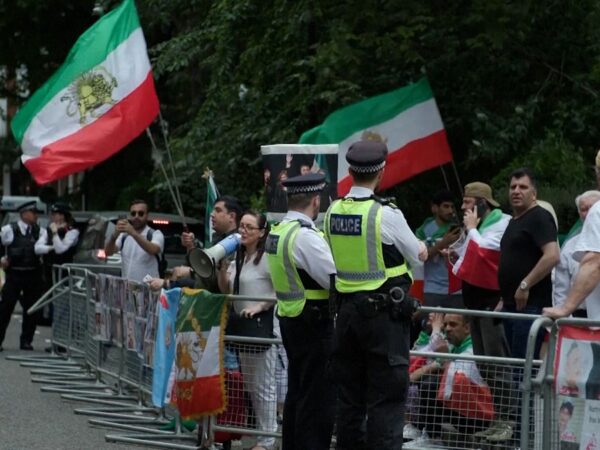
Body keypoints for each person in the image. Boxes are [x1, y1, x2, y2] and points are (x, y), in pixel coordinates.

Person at [324, 141, 427, 450]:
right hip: (383, 319)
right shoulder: (386, 214)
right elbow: (419, 254)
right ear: (381, 172)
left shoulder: (332, 210)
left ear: (351, 171)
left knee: (350, 401)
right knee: (386, 401)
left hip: (346, 317)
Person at [266, 173, 336, 450]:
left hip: (291, 318)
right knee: (317, 399)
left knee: (298, 393)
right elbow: (333, 279)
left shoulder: (278, 231)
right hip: (314, 322)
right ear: (316, 200)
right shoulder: (305, 237)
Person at [449, 181, 515, 441]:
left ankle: (508, 422)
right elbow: (469, 253)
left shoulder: (500, 223)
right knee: (485, 366)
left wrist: (472, 230)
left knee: (498, 365)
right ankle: (497, 420)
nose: (463, 207)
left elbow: (486, 252)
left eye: (467, 202)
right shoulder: (478, 226)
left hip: (491, 302)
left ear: (482, 204)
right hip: (474, 303)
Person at [217, 210, 277, 450]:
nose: (243, 231)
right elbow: (227, 290)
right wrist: (222, 270)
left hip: (263, 326)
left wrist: (260, 306)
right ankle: (263, 435)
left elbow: (280, 290)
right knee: (252, 384)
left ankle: (268, 440)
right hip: (245, 327)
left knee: (264, 385)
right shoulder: (239, 259)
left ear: (262, 233)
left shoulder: (267, 259)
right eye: (241, 226)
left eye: (249, 227)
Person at [405, 314, 495, 449]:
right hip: (458, 410)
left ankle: (433, 439)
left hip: (476, 418)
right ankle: (420, 429)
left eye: (453, 325)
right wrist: (433, 331)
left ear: (467, 328)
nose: (447, 329)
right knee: (424, 379)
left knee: (430, 385)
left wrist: (443, 360)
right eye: (445, 325)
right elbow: (422, 354)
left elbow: (450, 387)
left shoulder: (473, 349)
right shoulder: (455, 345)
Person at [498, 168, 559, 359]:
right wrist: (503, 298)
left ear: (534, 194)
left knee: (523, 368)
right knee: (515, 366)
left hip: (530, 305)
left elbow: (552, 255)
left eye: (523, 187)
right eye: (513, 187)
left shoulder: (539, 217)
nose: (516, 191)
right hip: (511, 305)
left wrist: (525, 284)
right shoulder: (514, 220)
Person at [0, 201, 47, 351]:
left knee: (31, 309)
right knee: (6, 308)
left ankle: (26, 340)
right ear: (24, 214)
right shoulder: (9, 229)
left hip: (32, 274)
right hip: (14, 274)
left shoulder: (40, 231)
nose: (35, 216)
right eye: (33, 212)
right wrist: (1, 259)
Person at [553, 191, 600, 318]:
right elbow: (561, 288)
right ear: (579, 214)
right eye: (584, 209)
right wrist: (562, 317)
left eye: (593, 207)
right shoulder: (569, 246)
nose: (589, 213)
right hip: (578, 316)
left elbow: (594, 265)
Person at [415, 189, 463, 308]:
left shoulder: (458, 228)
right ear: (434, 208)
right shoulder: (422, 231)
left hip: (456, 289)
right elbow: (419, 257)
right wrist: (443, 243)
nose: (450, 211)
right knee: (432, 325)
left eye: (452, 207)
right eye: (445, 206)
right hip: (433, 289)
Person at [36, 202, 80, 329]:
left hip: (64, 275)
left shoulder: (72, 232)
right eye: (53, 214)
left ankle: (61, 341)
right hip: (50, 273)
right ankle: (56, 340)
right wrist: (50, 248)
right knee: (53, 306)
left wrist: (55, 234)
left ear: (63, 216)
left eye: (56, 214)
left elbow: (61, 249)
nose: (53, 217)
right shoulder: (48, 230)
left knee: (63, 306)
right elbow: (37, 248)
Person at [105, 199, 165, 282]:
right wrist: (114, 235)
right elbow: (108, 252)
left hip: (148, 290)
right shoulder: (124, 236)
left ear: (147, 215)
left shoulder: (155, 234)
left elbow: (153, 250)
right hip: (127, 290)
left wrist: (133, 233)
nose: (136, 216)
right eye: (133, 213)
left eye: (141, 213)